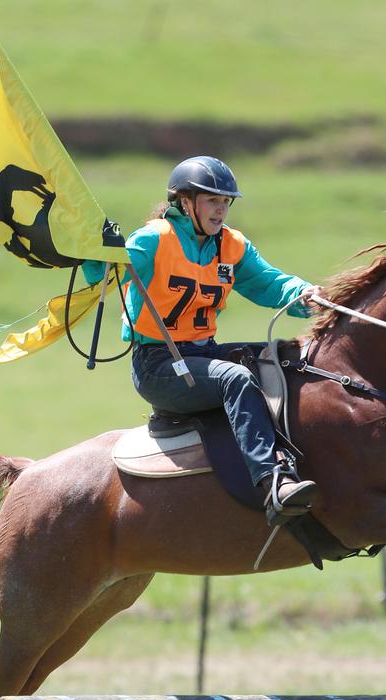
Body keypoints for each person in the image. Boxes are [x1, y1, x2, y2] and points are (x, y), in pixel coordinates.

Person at [83, 156, 319, 524]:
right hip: (159, 365)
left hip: (203, 354)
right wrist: (99, 253)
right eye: (212, 201)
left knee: (283, 356)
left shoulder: (231, 246)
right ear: (184, 202)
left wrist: (305, 293)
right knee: (235, 378)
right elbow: (105, 277)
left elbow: (268, 282)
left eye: (226, 202)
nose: (221, 210)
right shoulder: (152, 240)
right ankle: (273, 481)